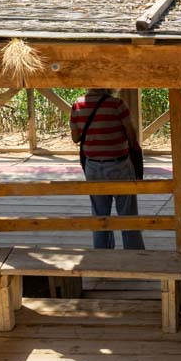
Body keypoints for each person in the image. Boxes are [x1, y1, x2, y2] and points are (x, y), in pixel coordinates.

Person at [70, 88, 144, 250]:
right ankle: (135, 255)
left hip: (93, 166)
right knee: (128, 214)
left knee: (99, 214)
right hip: (119, 164)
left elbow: (75, 137)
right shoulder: (117, 104)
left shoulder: (78, 104)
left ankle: (102, 254)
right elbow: (131, 135)